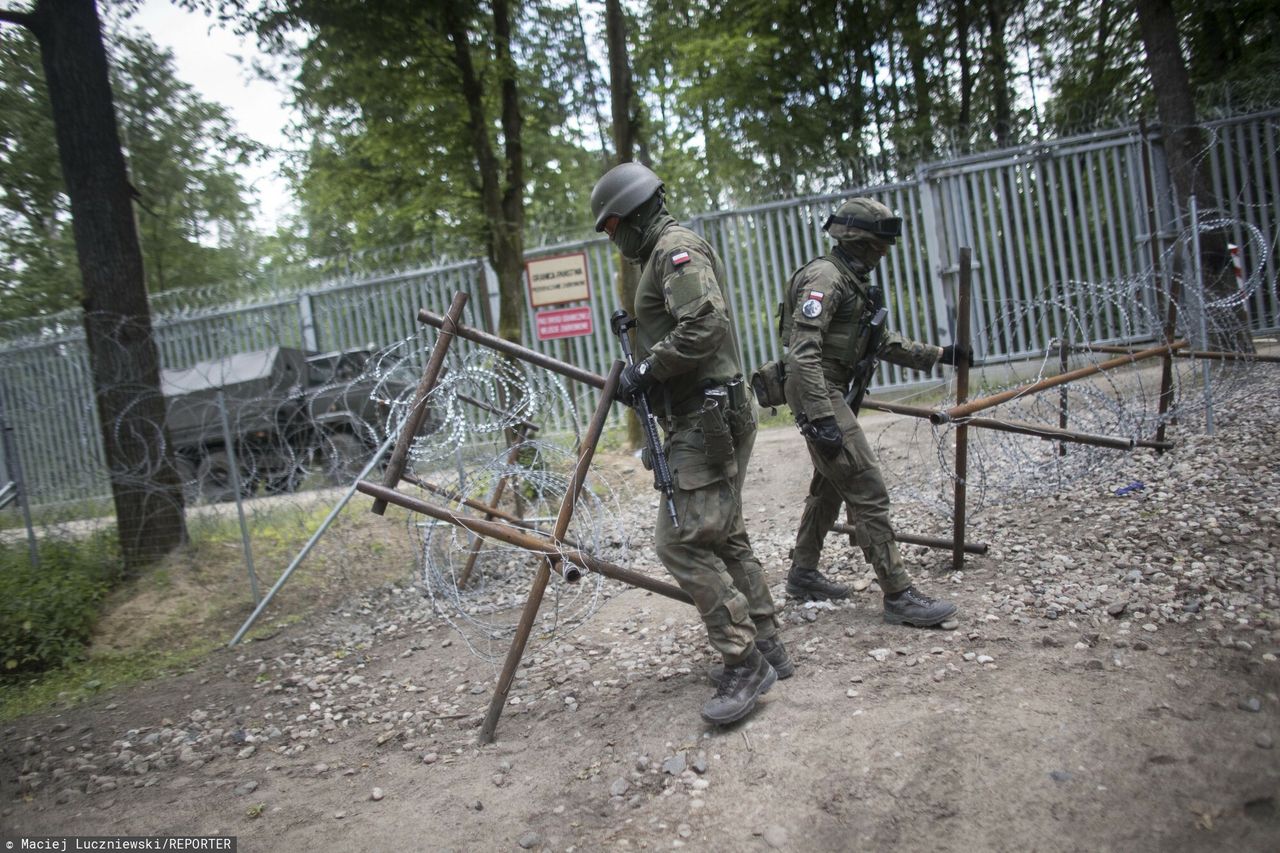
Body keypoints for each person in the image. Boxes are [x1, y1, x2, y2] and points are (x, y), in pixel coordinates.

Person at [590, 162, 790, 725]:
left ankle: (744, 661)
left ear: (629, 214)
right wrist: (643, 346)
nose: (612, 239)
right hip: (707, 412)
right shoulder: (661, 255)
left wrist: (647, 368)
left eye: (610, 227)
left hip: (704, 418)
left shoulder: (674, 249)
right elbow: (682, 325)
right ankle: (769, 645)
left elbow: (706, 326)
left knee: (679, 542)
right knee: (725, 532)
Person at [779, 197, 966, 627]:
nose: (884, 253)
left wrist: (940, 354)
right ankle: (898, 594)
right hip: (818, 392)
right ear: (857, 240)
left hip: (829, 392)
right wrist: (823, 417)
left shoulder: (855, 279)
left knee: (830, 485)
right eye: (879, 245)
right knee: (866, 485)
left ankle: (802, 574)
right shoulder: (826, 278)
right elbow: (802, 353)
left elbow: (879, 341)